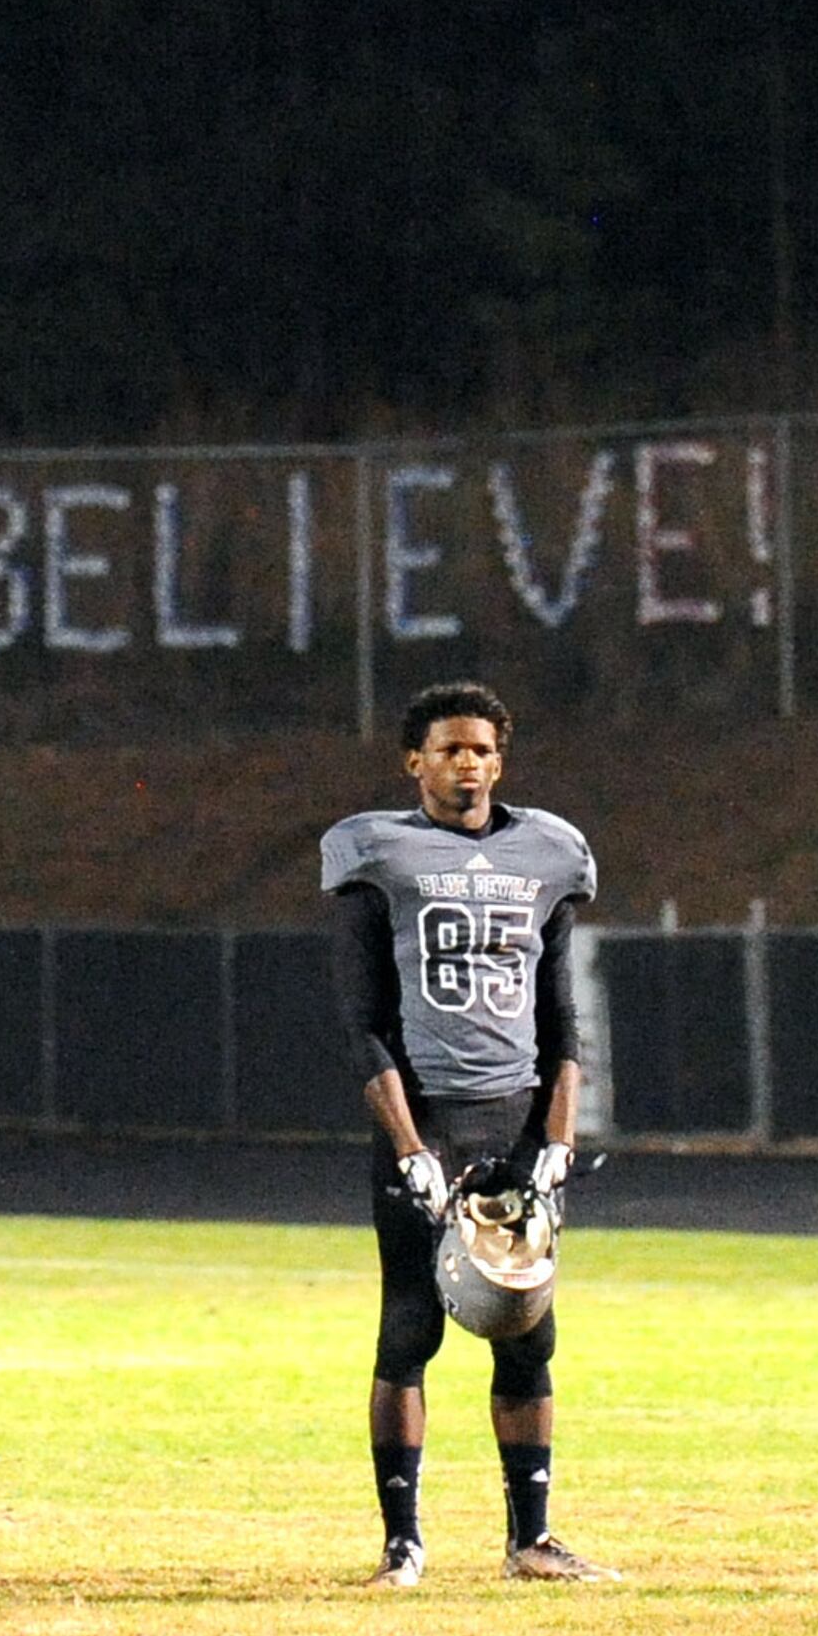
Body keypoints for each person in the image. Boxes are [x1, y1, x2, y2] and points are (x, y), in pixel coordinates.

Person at [323, 680, 603, 1589]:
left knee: (527, 1330)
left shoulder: (546, 851)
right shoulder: (378, 851)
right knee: (409, 1327)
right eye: (448, 748)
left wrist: (558, 1138)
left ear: (500, 759)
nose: (467, 762)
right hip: (429, 1115)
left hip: (516, 1117)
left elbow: (563, 1021)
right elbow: (365, 1022)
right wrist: (408, 1146)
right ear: (415, 761)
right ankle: (403, 1542)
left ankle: (533, 1536)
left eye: (481, 748)